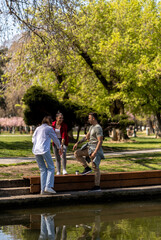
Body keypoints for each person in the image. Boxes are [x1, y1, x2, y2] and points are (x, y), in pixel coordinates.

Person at [73, 112, 104, 191]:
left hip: (95, 150)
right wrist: (78, 143)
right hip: (89, 148)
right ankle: (87, 168)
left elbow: (100, 141)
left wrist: (95, 152)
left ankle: (97, 186)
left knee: (95, 167)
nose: (88, 119)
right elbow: (86, 137)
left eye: (89, 118)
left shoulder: (98, 128)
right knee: (77, 153)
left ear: (93, 118)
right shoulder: (91, 127)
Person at [32, 116, 62, 195]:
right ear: (49, 122)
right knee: (51, 167)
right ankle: (48, 187)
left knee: (42, 169)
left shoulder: (38, 128)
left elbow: (33, 139)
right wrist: (59, 147)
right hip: (44, 149)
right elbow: (55, 139)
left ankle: (42, 190)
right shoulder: (49, 128)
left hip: (36, 150)